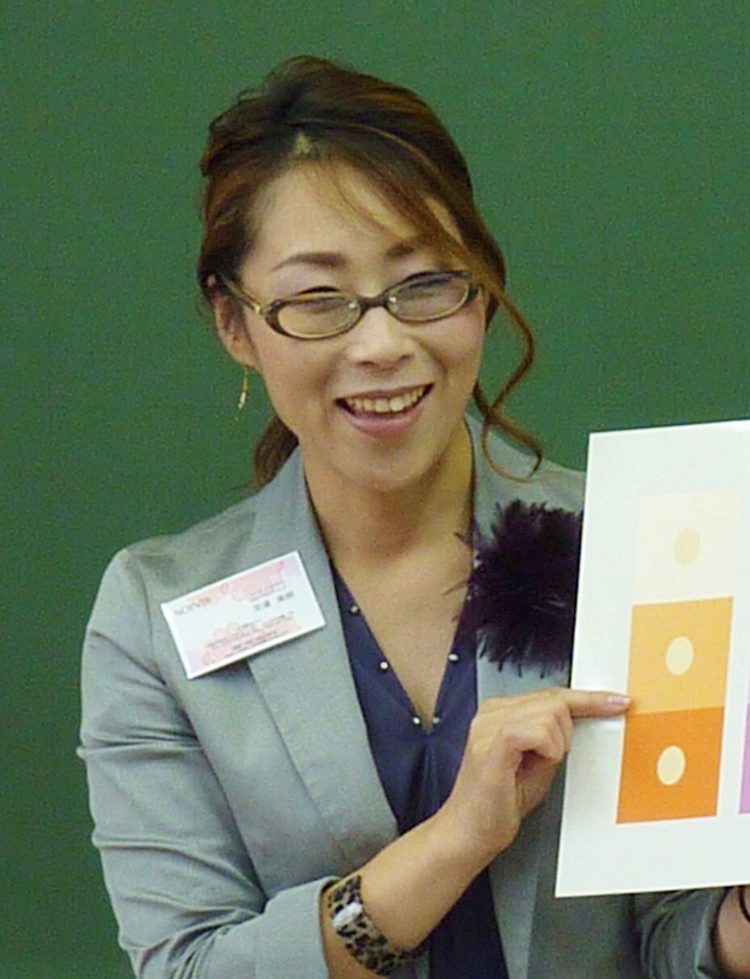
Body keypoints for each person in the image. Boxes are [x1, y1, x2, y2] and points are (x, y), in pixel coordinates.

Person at [79, 56, 750, 978]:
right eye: (317, 300)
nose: (383, 343)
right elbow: (188, 964)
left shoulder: (638, 546)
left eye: (426, 282)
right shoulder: (155, 615)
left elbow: (676, 934)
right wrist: (456, 840)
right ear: (234, 323)